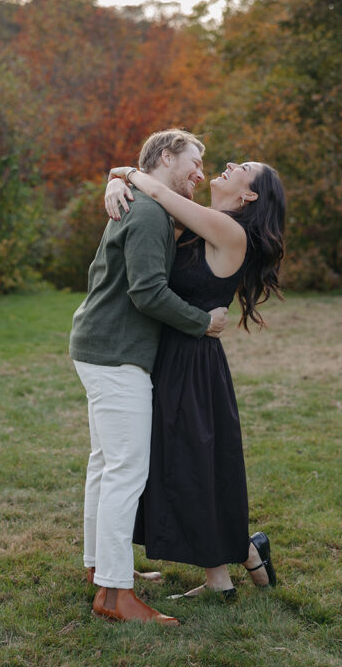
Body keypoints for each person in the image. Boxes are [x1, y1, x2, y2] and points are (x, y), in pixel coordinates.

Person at [104, 158, 285, 598]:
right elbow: (153, 202)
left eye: (242, 167)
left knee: (192, 464)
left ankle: (233, 563)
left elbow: (158, 191)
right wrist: (113, 183)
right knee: (188, 463)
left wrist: (124, 173)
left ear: (249, 195)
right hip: (173, 354)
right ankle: (232, 566)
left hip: (193, 363)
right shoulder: (202, 224)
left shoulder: (229, 230)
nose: (228, 164)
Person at [69, 129, 229, 625]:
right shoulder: (148, 214)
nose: (200, 172)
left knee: (105, 465)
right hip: (117, 354)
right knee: (125, 470)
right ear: (165, 157)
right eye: (194, 161)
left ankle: (100, 568)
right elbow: (147, 292)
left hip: (102, 348)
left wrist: (118, 175)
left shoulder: (145, 202)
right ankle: (115, 595)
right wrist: (203, 322)